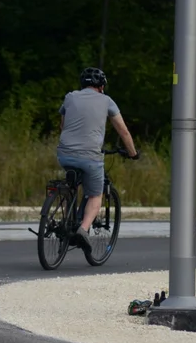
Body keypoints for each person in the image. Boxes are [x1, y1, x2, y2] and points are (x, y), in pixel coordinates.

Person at [56, 67, 139, 249]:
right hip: (90, 157)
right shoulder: (107, 101)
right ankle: (83, 230)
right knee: (95, 194)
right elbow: (123, 131)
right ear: (101, 86)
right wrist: (133, 153)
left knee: (73, 183)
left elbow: (63, 125)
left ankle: (67, 215)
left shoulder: (70, 97)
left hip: (64, 154)